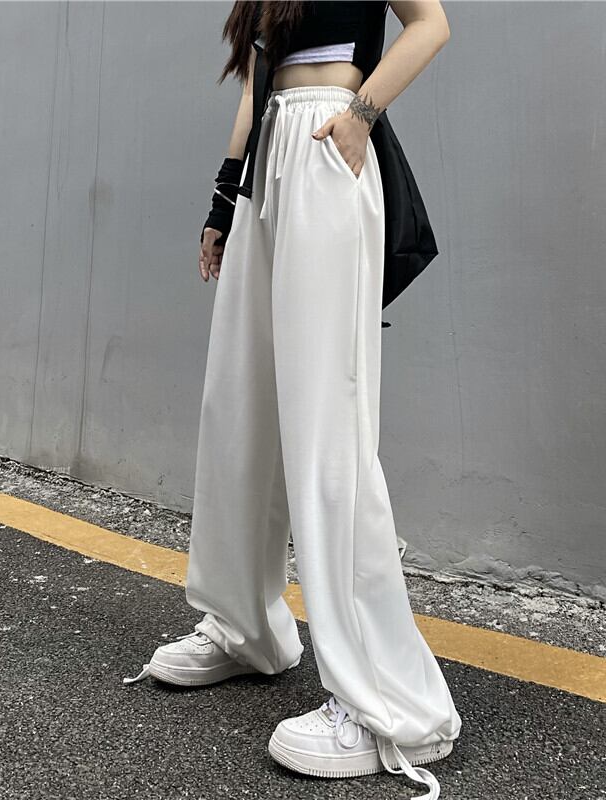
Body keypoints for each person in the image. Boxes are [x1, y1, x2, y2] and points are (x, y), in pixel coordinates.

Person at [127, 3, 458, 798]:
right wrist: (224, 198)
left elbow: (430, 24)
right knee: (238, 405)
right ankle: (247, 627)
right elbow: (258, 76)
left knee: (326, 426)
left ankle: (392, 705)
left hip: (327, 146)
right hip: (269, 159)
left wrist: (360, 116)